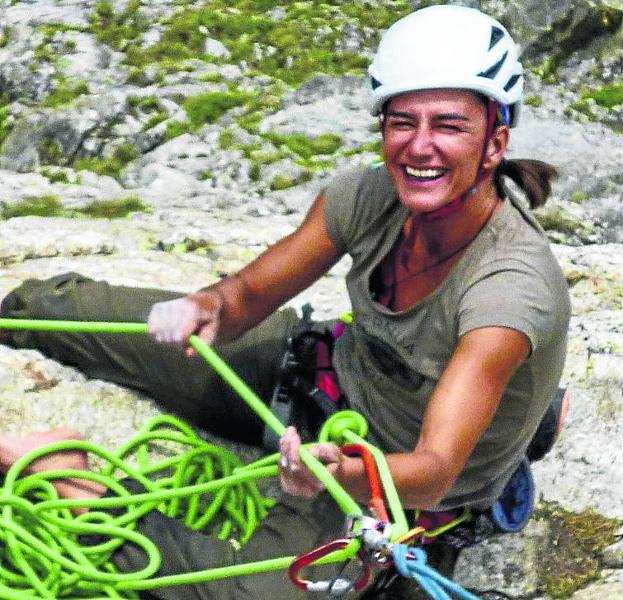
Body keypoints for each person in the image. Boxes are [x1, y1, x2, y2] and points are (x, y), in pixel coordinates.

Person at [0, 5, 570, 600]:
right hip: (316, 381)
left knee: (211, 591)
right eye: (403, 122)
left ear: (494, 142)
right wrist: (206, 306)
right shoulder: (368, 196)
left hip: (383, 481)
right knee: (65, 312)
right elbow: (245, 295)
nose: (419, 147)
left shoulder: (509, 293)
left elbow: (433, 471)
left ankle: (60, 474)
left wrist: (332, 471)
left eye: (449, 126)